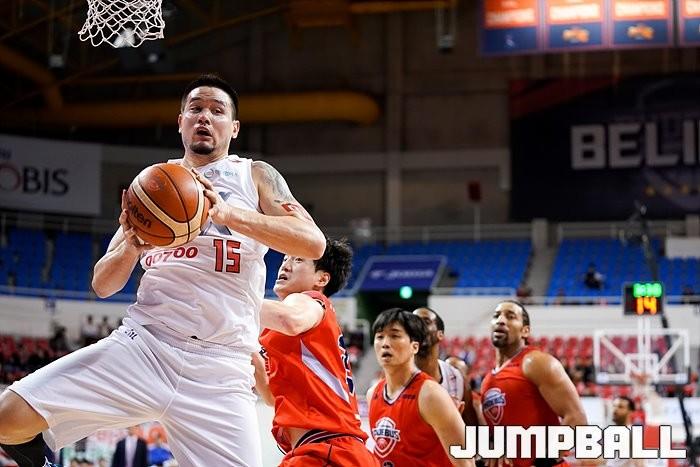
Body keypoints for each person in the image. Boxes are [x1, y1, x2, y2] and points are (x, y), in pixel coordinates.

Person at [0, 74, 326, 467]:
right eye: (196, 108)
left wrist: (228, 214)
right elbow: (102, 284)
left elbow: (313, 243)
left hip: (221, 370)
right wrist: (131, 248)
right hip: (145, 346)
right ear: (180, 121)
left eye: (217, 111)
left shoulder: (254, 175)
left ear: (234, 128)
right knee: (6, 418)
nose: (205, 116)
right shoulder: (153, 184)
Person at [257, 237, 378, 466]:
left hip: (329, 449)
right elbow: (273, 397)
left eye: (297, 260)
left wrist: (232, 298)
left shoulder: (311, 301)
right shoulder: (286, 330)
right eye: (285, 259)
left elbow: (290, 320)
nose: (285, 265)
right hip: (327, 450)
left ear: (321, 279)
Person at [481, 300, 588, 467]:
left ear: (525, 331)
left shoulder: (536, 362)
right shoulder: (488, 379)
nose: (501, 320)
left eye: (510, 317)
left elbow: (577, 419)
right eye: (496, 316)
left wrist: (543, 462)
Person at [368, 308, 474, 467]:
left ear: (414, 346)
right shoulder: (372, 394)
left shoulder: (431, 395)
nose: (385, 344)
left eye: (395, 336)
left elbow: (466, 462)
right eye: (380, 337)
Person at [413, 307, 481, 426]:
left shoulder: (457, 378)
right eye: (413, 323)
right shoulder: (397, 377)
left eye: (425, 322)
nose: (417, 326)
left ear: (440, 335)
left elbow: (470, 427)